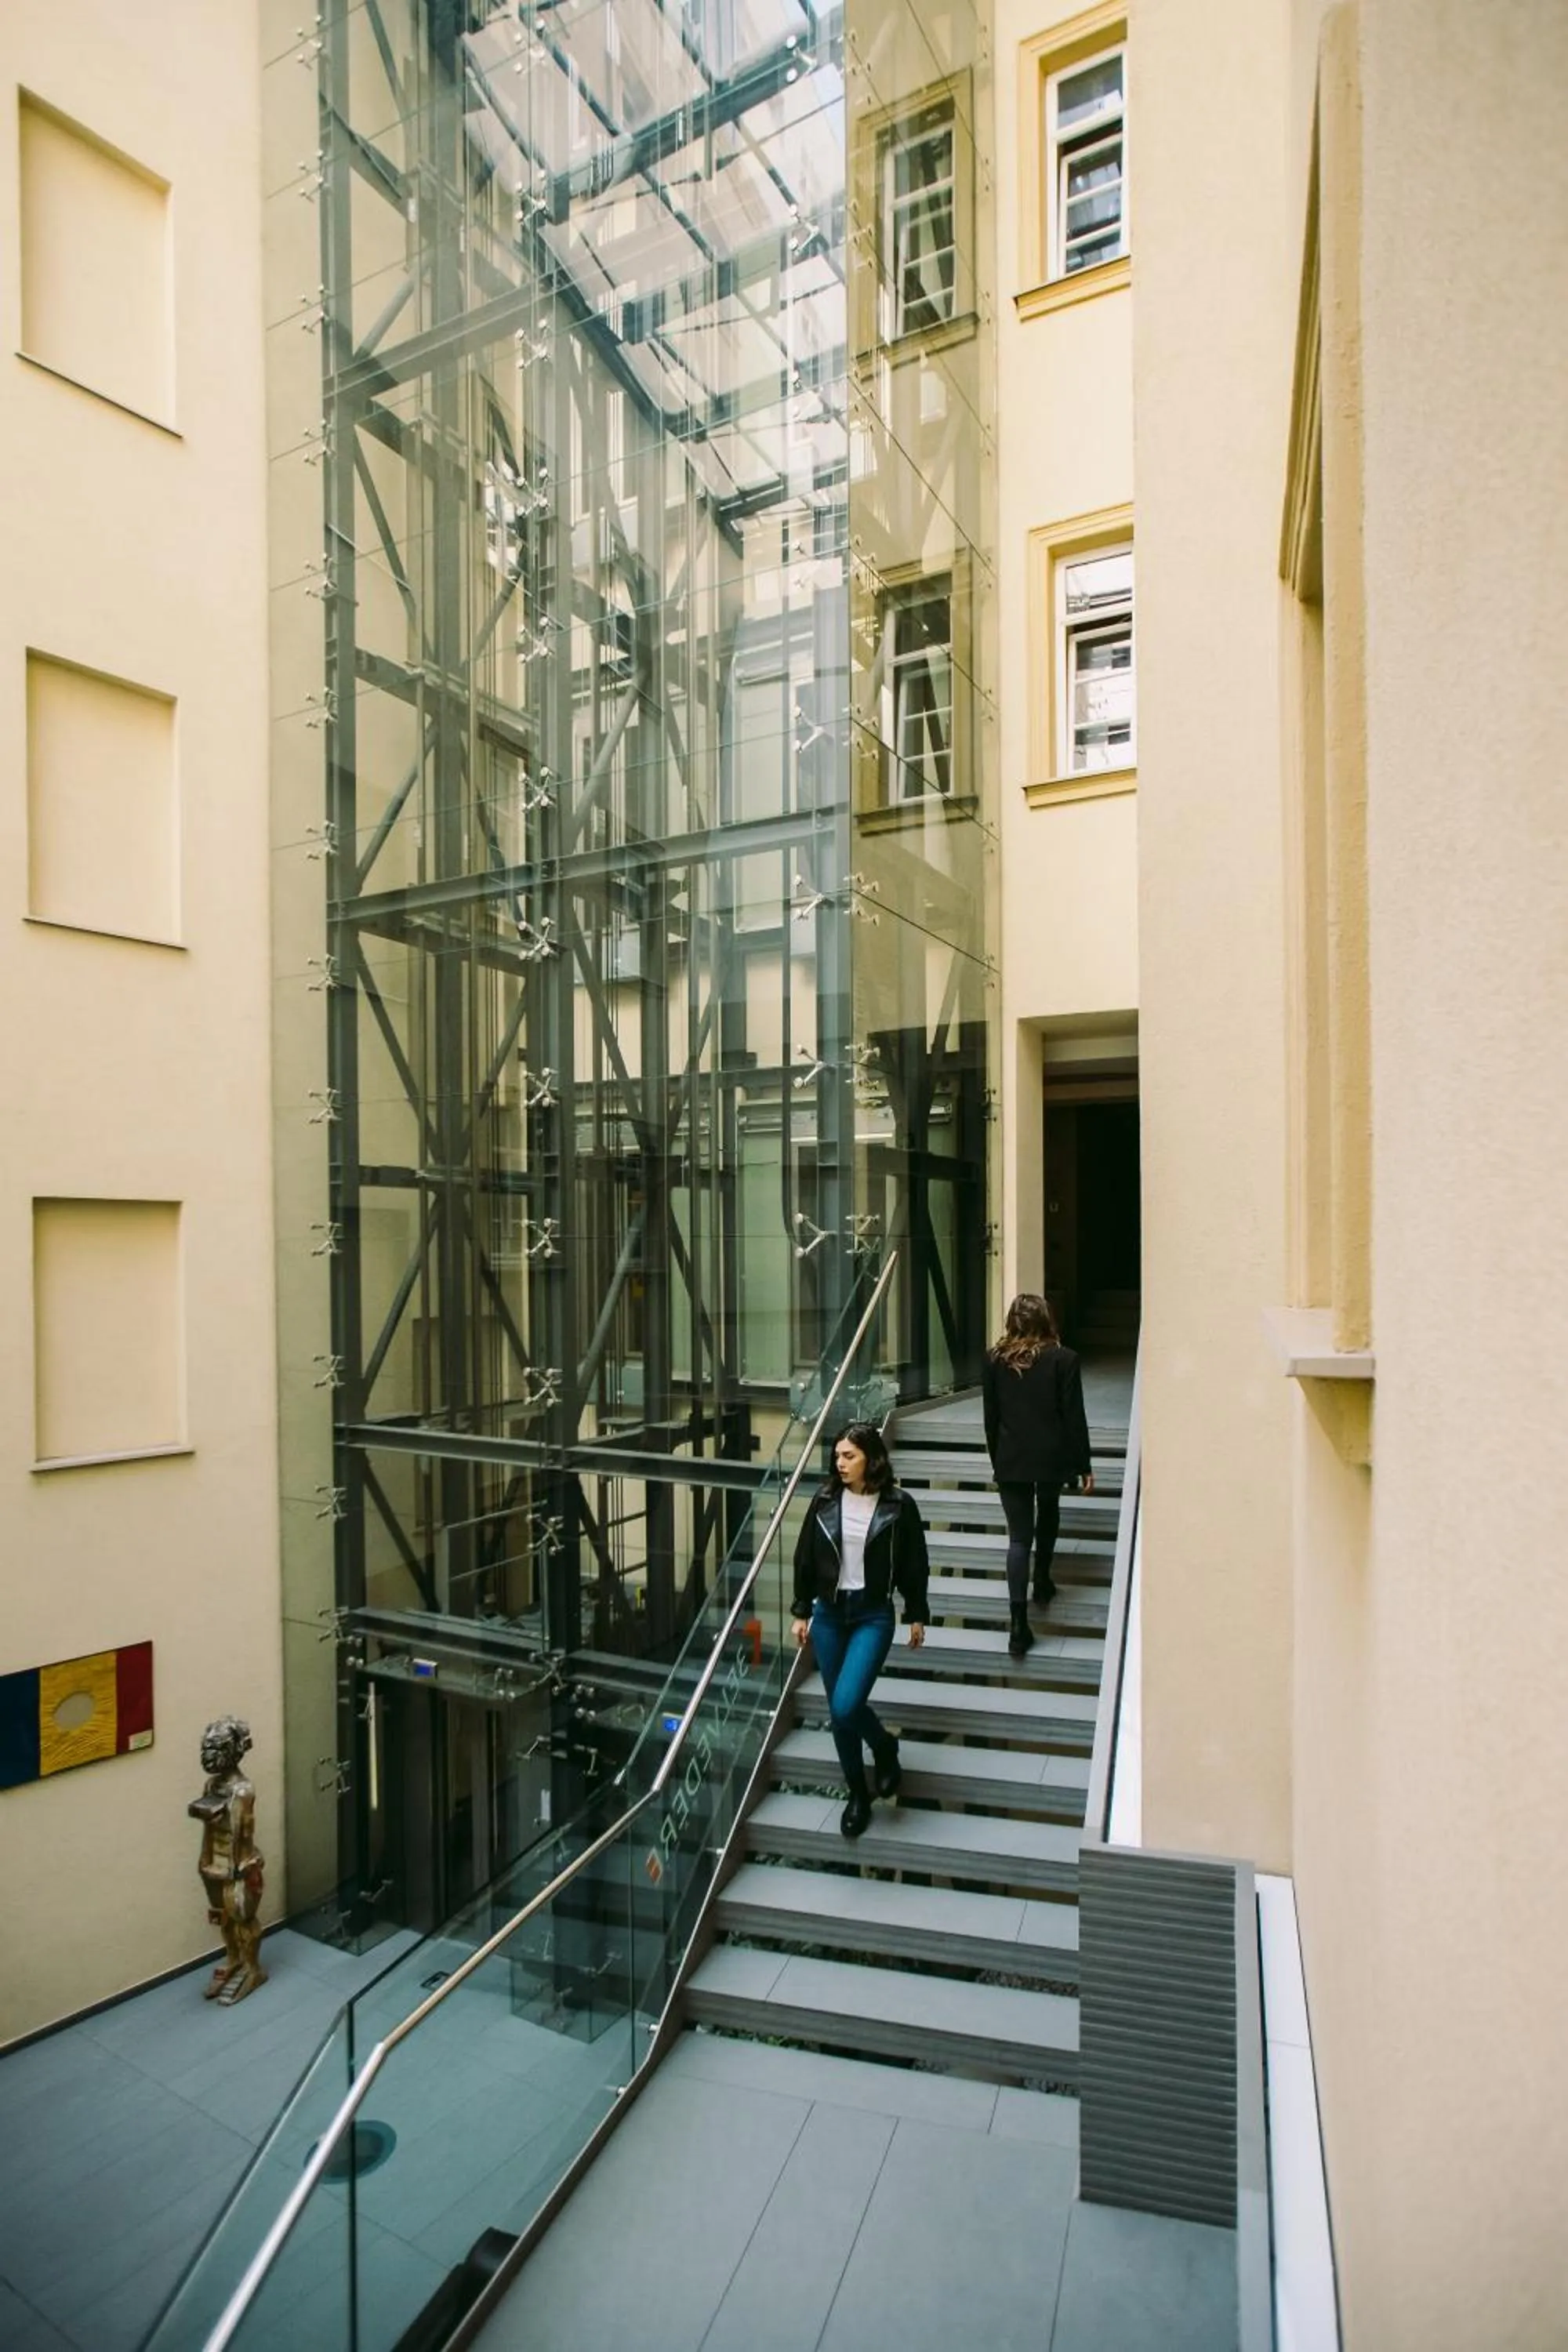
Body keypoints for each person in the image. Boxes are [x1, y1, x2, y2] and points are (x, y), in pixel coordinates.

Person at [790, 1421, 931, 1839]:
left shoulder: (898, 1505)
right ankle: (857, 1793)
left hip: (873, 1615)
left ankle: (884, 1747)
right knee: (839, 1714)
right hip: (831, 1614)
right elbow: (805, 1556)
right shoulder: (825, 1499)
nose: (841, 1463)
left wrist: (917, 1612)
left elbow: (914, 1562)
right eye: (838, 1456)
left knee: (848, 1706)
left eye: (849, 1455)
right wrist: (801, 1609)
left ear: (872, 1457)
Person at [982, 1294, 1094, 1661]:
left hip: (1011, 1459)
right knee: (1048, 1509)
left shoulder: (994, 1361)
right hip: (1050, 1456)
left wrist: (997, 1457)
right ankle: (1042, 1579)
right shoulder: (1064, 1359)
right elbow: (1073, 1417)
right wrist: (1084, 1464)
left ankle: (1018, 1626)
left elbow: (991, 1417)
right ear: (1046, 1319)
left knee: (1018, 1540)